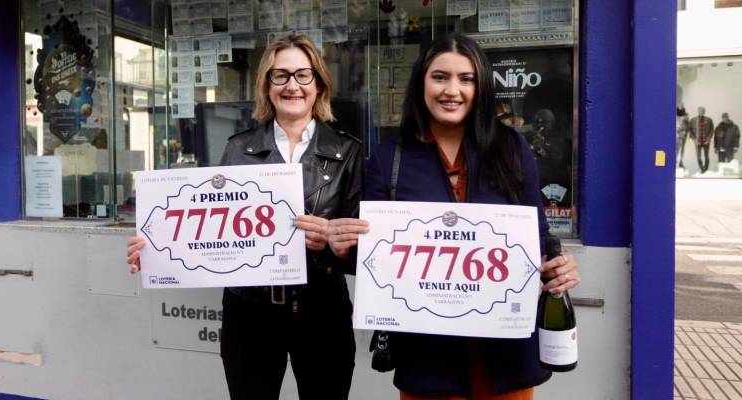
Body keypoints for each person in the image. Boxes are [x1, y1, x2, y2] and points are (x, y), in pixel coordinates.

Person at [329, 34, 580, 400]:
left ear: (481, 87)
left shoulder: (511, 147)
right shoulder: (389, 157)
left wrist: (559, 268)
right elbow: (372, 257)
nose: (453, 90)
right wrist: (343, 247)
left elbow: (538, 243)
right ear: (421, 83)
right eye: (440, 77)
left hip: (505, 354)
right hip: (429, 357)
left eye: (467, 79)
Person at [127, 33, 363, 400]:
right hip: (249, 314)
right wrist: (155, 246)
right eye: (279, 75)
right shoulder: (237, 149)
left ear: (318, 84)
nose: (292, 86)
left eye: (303, 75)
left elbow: (366, 253)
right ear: (266, 86)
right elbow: (206, 224)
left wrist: (333, 245)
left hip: (322, 312)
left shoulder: (348, 152)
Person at [689, 106, 714, 173]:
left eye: (703, 111)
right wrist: (694, 139)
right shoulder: (693, 120)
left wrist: (708, 138)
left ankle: (706, 169)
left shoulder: (709, 120)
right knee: (698, 157)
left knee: (706, 156)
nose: (701, 112)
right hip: (698, 142)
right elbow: (690, 131)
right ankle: (701, 168)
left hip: (706, 142)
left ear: (704, 111)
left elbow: (712, 130)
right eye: (700, 111)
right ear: (698, 111)